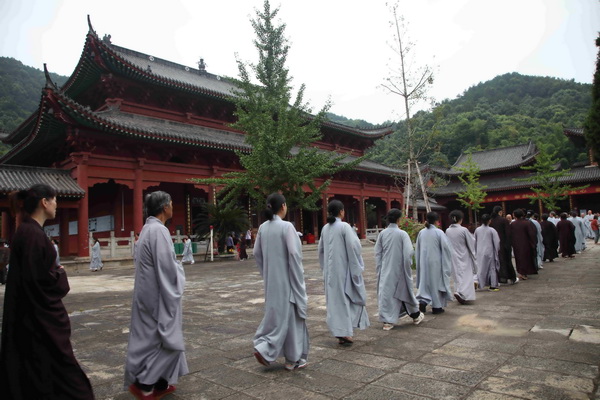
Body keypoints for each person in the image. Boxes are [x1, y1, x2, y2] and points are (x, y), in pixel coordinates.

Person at [0, 184, 95, 399]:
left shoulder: (26, 231)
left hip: (30, 321)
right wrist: (60, 275)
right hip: (41, 323)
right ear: (44, 202)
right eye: (54, 200)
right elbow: (41, 284)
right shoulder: (33, 235)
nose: (56, 205)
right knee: (72, 384)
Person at [125, 191, 188, 399]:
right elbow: (167, 267)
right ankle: (145, 382)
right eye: (171, 203)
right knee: (170, 339)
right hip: (157, 294)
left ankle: (161, 382)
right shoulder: (159, 231)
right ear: (164, 208)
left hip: (146, 291)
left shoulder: (146, 230)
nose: (172, 207)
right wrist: (179, 273)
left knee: (151, 340)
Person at [252, 193, 309, 370]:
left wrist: (266, 272)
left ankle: (292, 358)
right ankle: (282, 355)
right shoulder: (287, 227)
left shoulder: (263, 227)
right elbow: (294, 254)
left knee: (277, 316)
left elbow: (256, 253)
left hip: (271, 281)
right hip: (287, 281)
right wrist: (298, 281)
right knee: (292, 318)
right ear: (283, 206)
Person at [319, 199, 370, 345]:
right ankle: (344, 332)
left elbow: (321, 251)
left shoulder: (325, 228)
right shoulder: (344, 226)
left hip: (330, 272)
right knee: (345, 300)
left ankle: (340, 331)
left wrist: (325, 268)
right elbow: (354, 247)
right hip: (343, 270)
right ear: (341, 211)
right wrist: (357, 267)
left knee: (335, 302)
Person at [375, 208, 424, 330]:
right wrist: (407, 267)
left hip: (386, 269)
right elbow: (408, 252)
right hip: (400, 269)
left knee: (387, 294)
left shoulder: (382, 234)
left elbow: (377, 252)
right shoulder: (402, 234)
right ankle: (416, 316)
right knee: (405, 293)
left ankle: (387, 321)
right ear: (398, 219)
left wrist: (380, 268)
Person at [415, 211, 453, 314]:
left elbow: (417, 249)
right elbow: (446, 249)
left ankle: (422, 301)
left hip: (424, 261)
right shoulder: (439, 232)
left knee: (425, 282)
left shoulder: (422, 232)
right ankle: (436, 306)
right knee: (436, 284)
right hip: (436, 262)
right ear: (437, 221)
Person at [445, 210, 477, 304]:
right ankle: (461, 293)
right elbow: (471, 242)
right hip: (463, 255)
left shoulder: (448, 230)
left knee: (457, 276)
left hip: (452, 255)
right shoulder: (463, 230)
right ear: (461, 219)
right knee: (466, 275)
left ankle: (459, 291)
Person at [490, 206, 517, 284]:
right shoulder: (504, 221)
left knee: (498, 262)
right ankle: (510, 277)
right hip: (504, 244)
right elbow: (508, 233)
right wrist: (508, 244)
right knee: (507, 261)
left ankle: (501, 278)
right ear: (500, 212)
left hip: (494, 245)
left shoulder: (491, 221)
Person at [475, 214, 501, 291]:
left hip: (480, 251)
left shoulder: (477, 230)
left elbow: (475, 241)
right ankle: (493, 285)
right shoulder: (491, 230)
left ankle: (479, 283)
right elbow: (497, 242)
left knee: (480, 268)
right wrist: (497, 250)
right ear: (489, 220)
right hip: (489, 251)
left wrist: (476, 251)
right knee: (492, 268)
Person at [510, 209, 538, 280]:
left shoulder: (513, 224)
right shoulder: (527, 223)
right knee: (526, 258)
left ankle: (522, 272)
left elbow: (511, 234)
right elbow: (532, 234)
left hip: (516, 244)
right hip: (526, 243)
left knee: (519, 259)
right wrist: (533, 243)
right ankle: (524, 272)